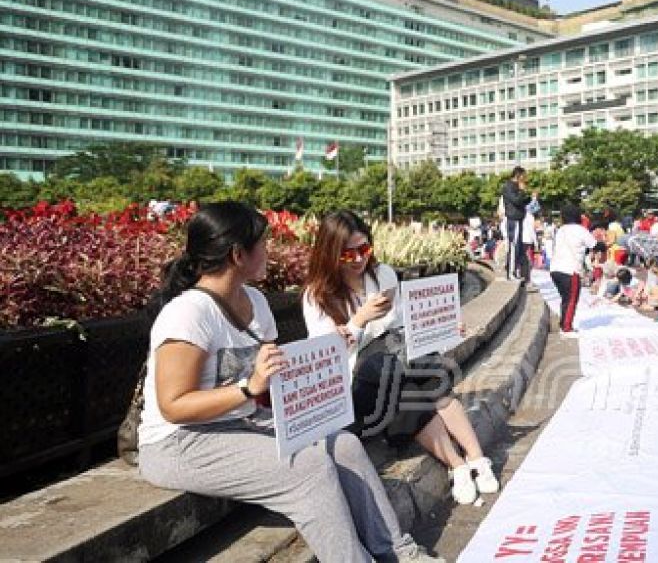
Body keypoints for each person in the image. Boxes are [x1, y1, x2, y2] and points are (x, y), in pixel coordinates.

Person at [137, 202, 441, 563]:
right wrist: (249, 387)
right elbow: (174, 405)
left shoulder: (255, 302)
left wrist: (325, 353)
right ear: (238, 254)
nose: (269, 251)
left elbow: (271, 377)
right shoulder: (188, 314)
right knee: (308, 467)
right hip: (180, 442)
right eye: (262, 244)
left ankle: (401, 553)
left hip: (243, 421)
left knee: (343, 444)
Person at [302, 211, 498, 507]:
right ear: (330, 254)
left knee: (427, 376)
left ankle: (475, 459)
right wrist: (359, 321)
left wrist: (443, 328)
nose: (358, 259)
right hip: (356, 387)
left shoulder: (382, 275)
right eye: (348, 254)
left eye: (363, 249)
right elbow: (326, 363)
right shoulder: (317, 296)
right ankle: (457, 463)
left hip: (394, 364)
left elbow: (408, 324)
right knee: (399, 383)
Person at [550, 203, 596, 338]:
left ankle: (563, 323)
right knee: (571, 299)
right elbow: (594, 244)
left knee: (565, 298)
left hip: (555, 269)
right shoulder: (580, 230)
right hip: (570, 270)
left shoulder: (560, 230)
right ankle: (567, 327)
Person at [500, 167, 532, 283]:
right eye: (523, 176)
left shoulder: (516, 187)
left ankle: (515, 271)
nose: (524, 178)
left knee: (518, 247)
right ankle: (510, 273)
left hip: (519, 218)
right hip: (513, 218)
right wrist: (522, 191)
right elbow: (516, 201)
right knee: (513, 246)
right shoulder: (508, 186)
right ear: (518, 175)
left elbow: (522, 201)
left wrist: (529, 197)